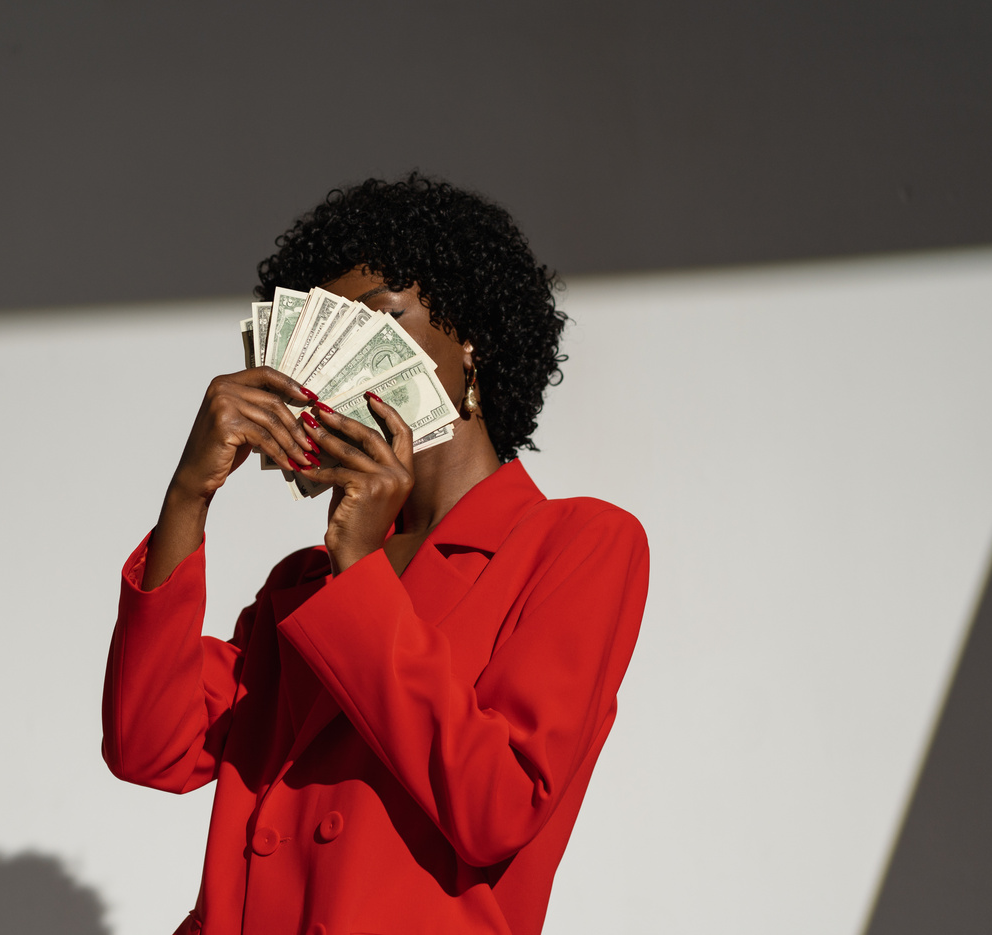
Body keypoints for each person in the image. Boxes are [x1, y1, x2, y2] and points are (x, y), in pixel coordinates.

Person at [102, 174, 649, 935]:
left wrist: (360, 569)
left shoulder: (579, 543)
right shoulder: (300, 585)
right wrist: (188, 495)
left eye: (381, 321)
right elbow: (149, 747)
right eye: (327, 335)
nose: (347, 363)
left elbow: (498, 806)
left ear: (470, 335)